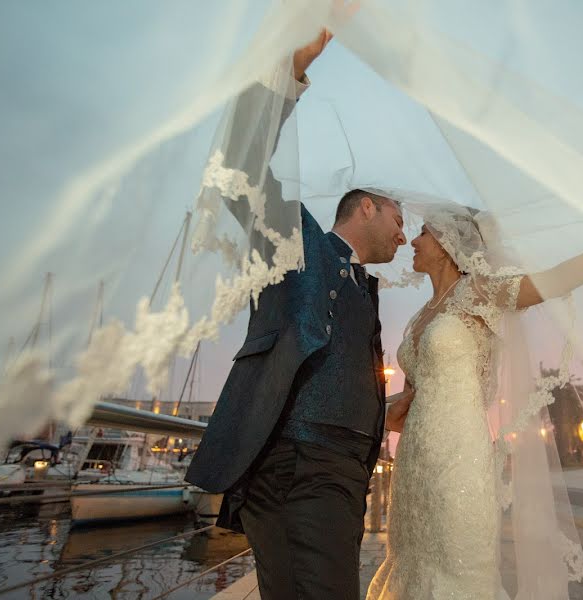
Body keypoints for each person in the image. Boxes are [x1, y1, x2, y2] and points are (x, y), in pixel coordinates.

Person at [372, 172, 583, 599]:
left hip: (459, 460)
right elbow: (412, 398)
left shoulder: (481, 292)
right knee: (413, 563)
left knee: (458, 567)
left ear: (450, 243)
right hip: (415, 461)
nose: (413, 242)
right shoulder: (421, 315)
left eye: (424, 234)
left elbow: (559, 278)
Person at [185, 31, 407, 600]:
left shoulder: (366, 287)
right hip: (296, 467)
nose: (405, 236)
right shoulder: (297, 241)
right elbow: (241, 167)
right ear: (367, 207)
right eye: (399, 220)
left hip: (338, 479)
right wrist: (289, 71)